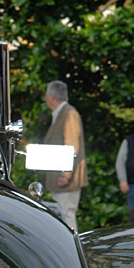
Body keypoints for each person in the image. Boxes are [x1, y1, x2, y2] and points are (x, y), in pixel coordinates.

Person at [42, 80, 88, 231]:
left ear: (52, 96)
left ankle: (71, 253)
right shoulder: (61, 113)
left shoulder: (70, 114)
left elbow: (72, 145)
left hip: (65, 179)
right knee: (62, 217)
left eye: (47, 95)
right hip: (59, 177)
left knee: (67, 217)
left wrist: (66, 174)